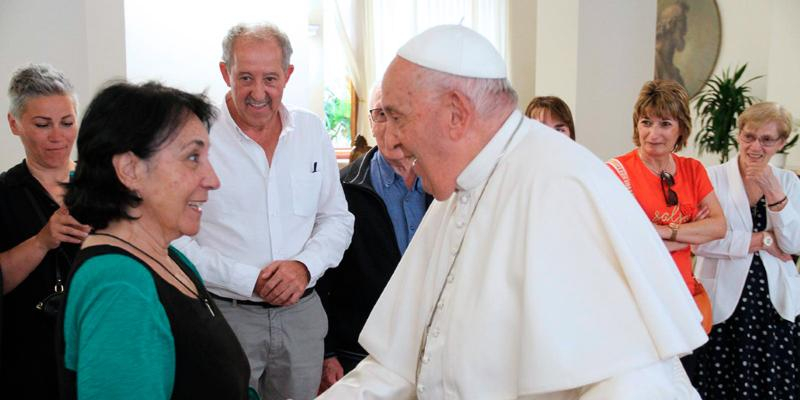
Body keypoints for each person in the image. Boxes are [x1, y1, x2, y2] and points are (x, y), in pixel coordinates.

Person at [318, 24, 708, 400]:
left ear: (456, 113)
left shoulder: (562, 186)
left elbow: (633, 383)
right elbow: (397, 364)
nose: (391, 140)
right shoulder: (460, 184)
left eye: (398, 117)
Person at [173, 22, 354, 400]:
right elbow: (174, 238)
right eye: (245, 78)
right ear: (225, 73)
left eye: (270, 78)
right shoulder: (193, 136)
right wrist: (249, 279)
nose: (258, 93)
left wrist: (303, 267)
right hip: (225, 315)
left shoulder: (311, 131)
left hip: (302, 317)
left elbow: (337, 219)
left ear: (288, 75)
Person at [60, 81, 255, 399]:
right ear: (130, 169)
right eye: (193, 157)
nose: (213, 179)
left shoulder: (170, 258)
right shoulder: (119, 285)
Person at [316, 85, 432, 393]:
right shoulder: (344, 190)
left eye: (399, 116)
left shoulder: (443, 187)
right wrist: (328, 352)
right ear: (371, 123)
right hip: (361, 351)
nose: (390, 127)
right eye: (381, 114)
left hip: (428, 349)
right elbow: (323, 277)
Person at [608, 79, 726, 380]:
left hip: (683, 302)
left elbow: (719, 226)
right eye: (646, 122)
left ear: (681, 129)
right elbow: (623, 243)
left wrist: (662, 231)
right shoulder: (616, 172)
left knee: (680, 386)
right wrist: (689, 230)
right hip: (639, 304)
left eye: (665, 123)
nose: (653, 133)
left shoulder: (693, 170)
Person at [692, 102, 800, 399]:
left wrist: (775, 193)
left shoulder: (789, 182)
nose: (756, 146)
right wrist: (763, 240)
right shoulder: (710, 177)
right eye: (749, 136)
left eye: (767, 140)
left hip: (774, 306)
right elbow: (700, 240)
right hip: (724, 303)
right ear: (738, 135)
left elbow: (794, 243)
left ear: (781, 143)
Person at [0, 64, 90, 398]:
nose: (58, 136)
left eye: (67, 123)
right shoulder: (5, 194)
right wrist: (42, 241)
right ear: (15, 124)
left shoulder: (103, 187)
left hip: (97, 348)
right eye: (42, 125)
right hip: (29, 362)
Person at [655, 1, 689, 86]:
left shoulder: (675, 73)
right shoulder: (654, 62)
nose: (685, 30)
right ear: (672, 24)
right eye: (683, 22)